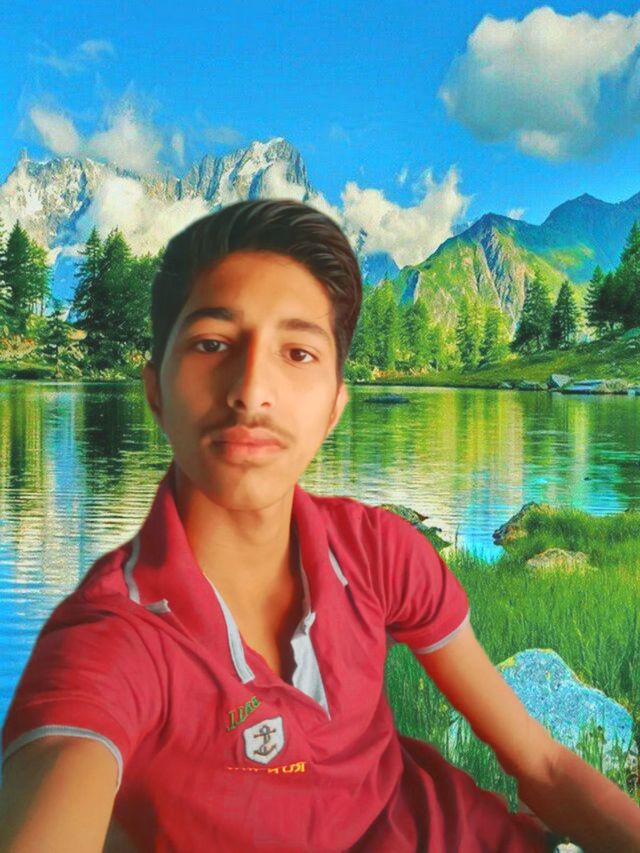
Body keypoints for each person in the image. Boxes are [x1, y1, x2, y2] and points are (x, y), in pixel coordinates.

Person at [0, 199, 638, 853]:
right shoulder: (108, 637)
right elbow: (63, 761)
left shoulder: (380, 552)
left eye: (298, 352)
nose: (252, 390)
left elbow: (543, 765)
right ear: (155, 389)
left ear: (334, 405)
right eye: (213, 343)